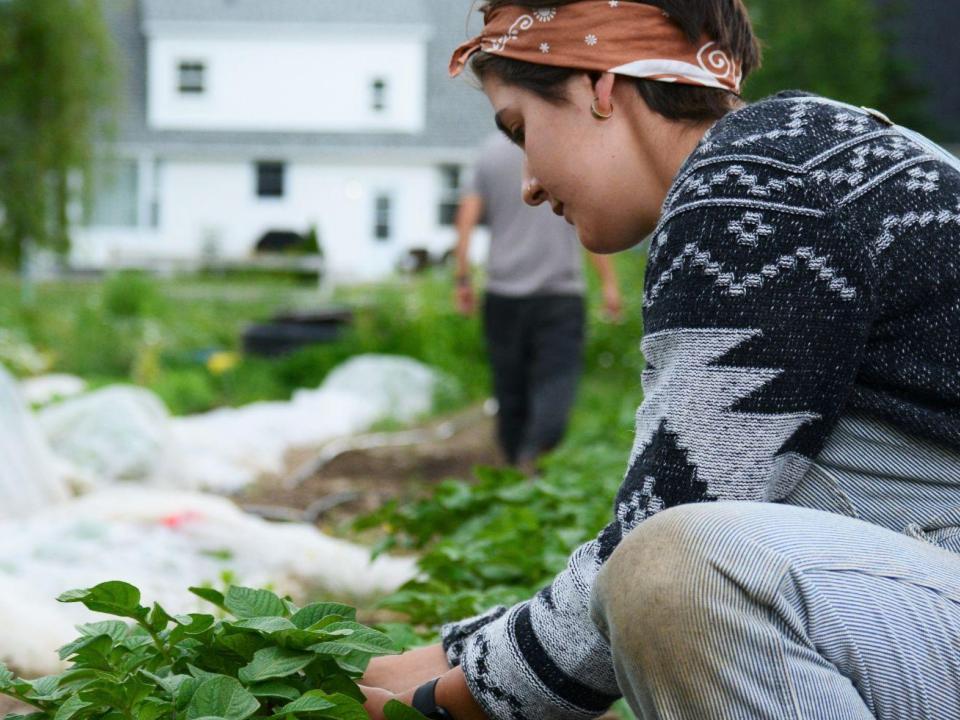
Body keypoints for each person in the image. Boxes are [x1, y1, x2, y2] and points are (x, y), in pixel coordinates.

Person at [361, 1, 960, 718]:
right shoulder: (818, 149)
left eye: (522, 130)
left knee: (683, 571)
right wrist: (462, 650)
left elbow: (675, 522)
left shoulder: (754, 180)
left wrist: (452, 697)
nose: (528, 183)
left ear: (600, 87)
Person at [454, 132, 622, 468]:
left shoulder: (488, 153)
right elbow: (588, 218)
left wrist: (462, 278)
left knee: (509, 388)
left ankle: (519, 464)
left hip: (503, 293)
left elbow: (466, 218)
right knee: (555, 382)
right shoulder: (563, 147)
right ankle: (531, 461)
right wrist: (609, 284)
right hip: (558, 293)